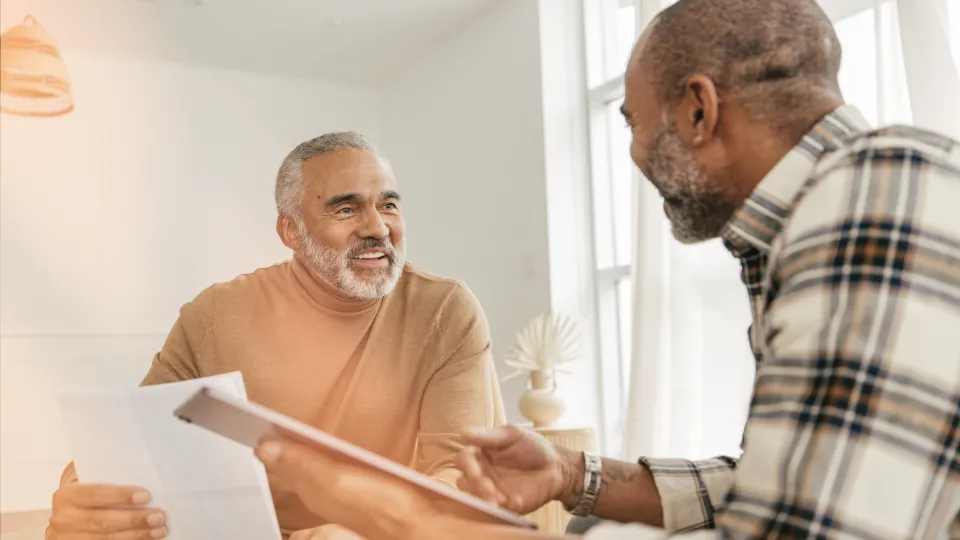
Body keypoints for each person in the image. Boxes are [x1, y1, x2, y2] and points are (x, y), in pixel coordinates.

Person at [245, 0, 960, 538]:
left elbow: (802, 523)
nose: (635, 153)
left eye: (632, 121)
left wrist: (404, 518)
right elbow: (780, 476)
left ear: (700, 110)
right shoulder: (827, 210)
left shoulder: (872, 201)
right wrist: (570, 475)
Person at [45, 132, 506, 540]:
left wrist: (366, 530)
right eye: (346, 208)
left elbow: (457, 475)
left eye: (388, 204)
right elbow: (135, 439)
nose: (377, 227)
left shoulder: (445, 310)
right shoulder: (216, 314)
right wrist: (80, 495)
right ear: (291, 230)